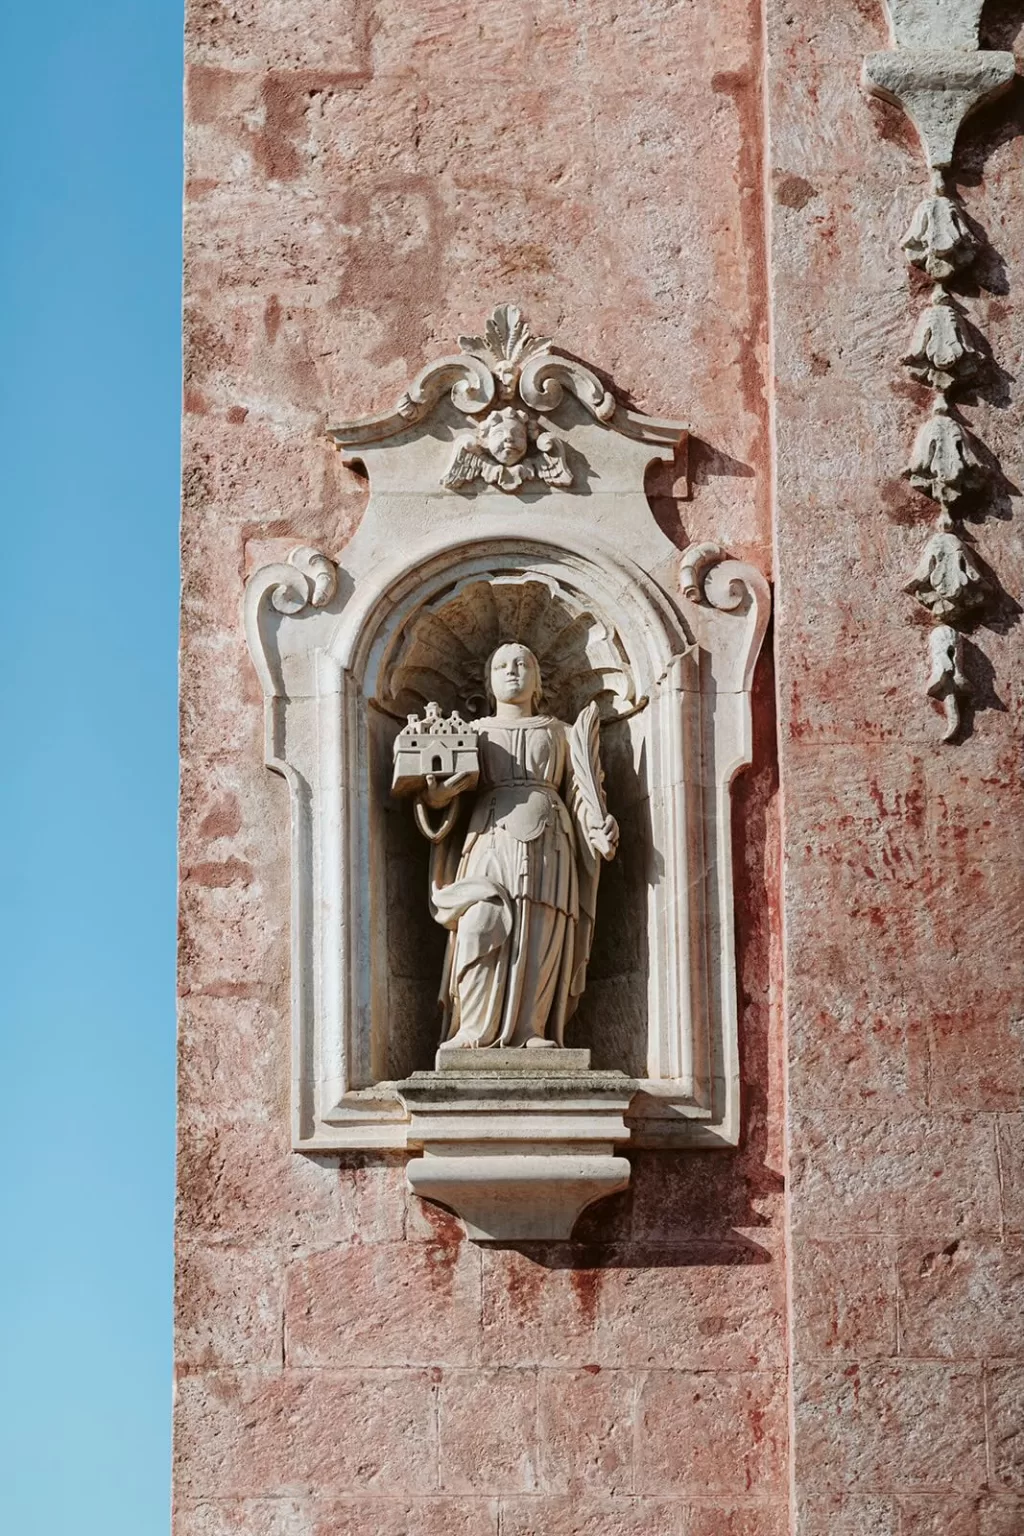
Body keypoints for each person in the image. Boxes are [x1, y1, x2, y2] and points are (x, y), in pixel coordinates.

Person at [413, 642, 617, 1050]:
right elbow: (440, 798)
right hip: (488, 840)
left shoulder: (560, 732)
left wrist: (598, 826)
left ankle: (531, 1030)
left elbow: (582, 792)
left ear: (537, 679)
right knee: (480, 920)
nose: (513, 671)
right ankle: (472, 1028)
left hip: (551, 845)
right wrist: (436, 796)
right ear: (488, 681)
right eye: (502, 665)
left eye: (523, 664)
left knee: (540, 930)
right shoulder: (470, 733)